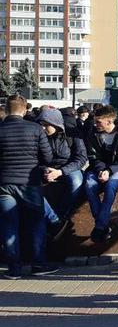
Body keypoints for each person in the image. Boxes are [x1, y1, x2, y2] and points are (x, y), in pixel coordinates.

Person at [0, 95, 55, 278]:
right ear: (24, 110)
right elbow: (47, 157)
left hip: (4, 184)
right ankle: (38, 265)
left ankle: (14, 269)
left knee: (9, 225)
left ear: (7, 109)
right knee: (36, 223)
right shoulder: (35, 128)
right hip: (29, 182)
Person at [84, 105, 118, 243]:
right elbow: (93, 157)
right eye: (95, 121)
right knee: (90, 184)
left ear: (109, 121)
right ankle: (103, 226)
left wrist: (109, 171)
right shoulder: (93, 133)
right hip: (98, 168)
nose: (95, 124)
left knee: (111, 185)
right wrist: (102, 170)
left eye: (98, 122)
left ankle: (100, 226)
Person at [37, 107, 87, 235]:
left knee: (76, 182)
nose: (42, 128)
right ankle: (54, 220)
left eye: (45, 125)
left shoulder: (72, 133)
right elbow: (33, 158)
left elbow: (81, 158)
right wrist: (44, 169)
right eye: (41, 124)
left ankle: (59, 217)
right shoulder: (38, 135)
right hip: (46, 169)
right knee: (30, 188)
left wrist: (61, 172)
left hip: (69, 167)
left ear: (55, 124)